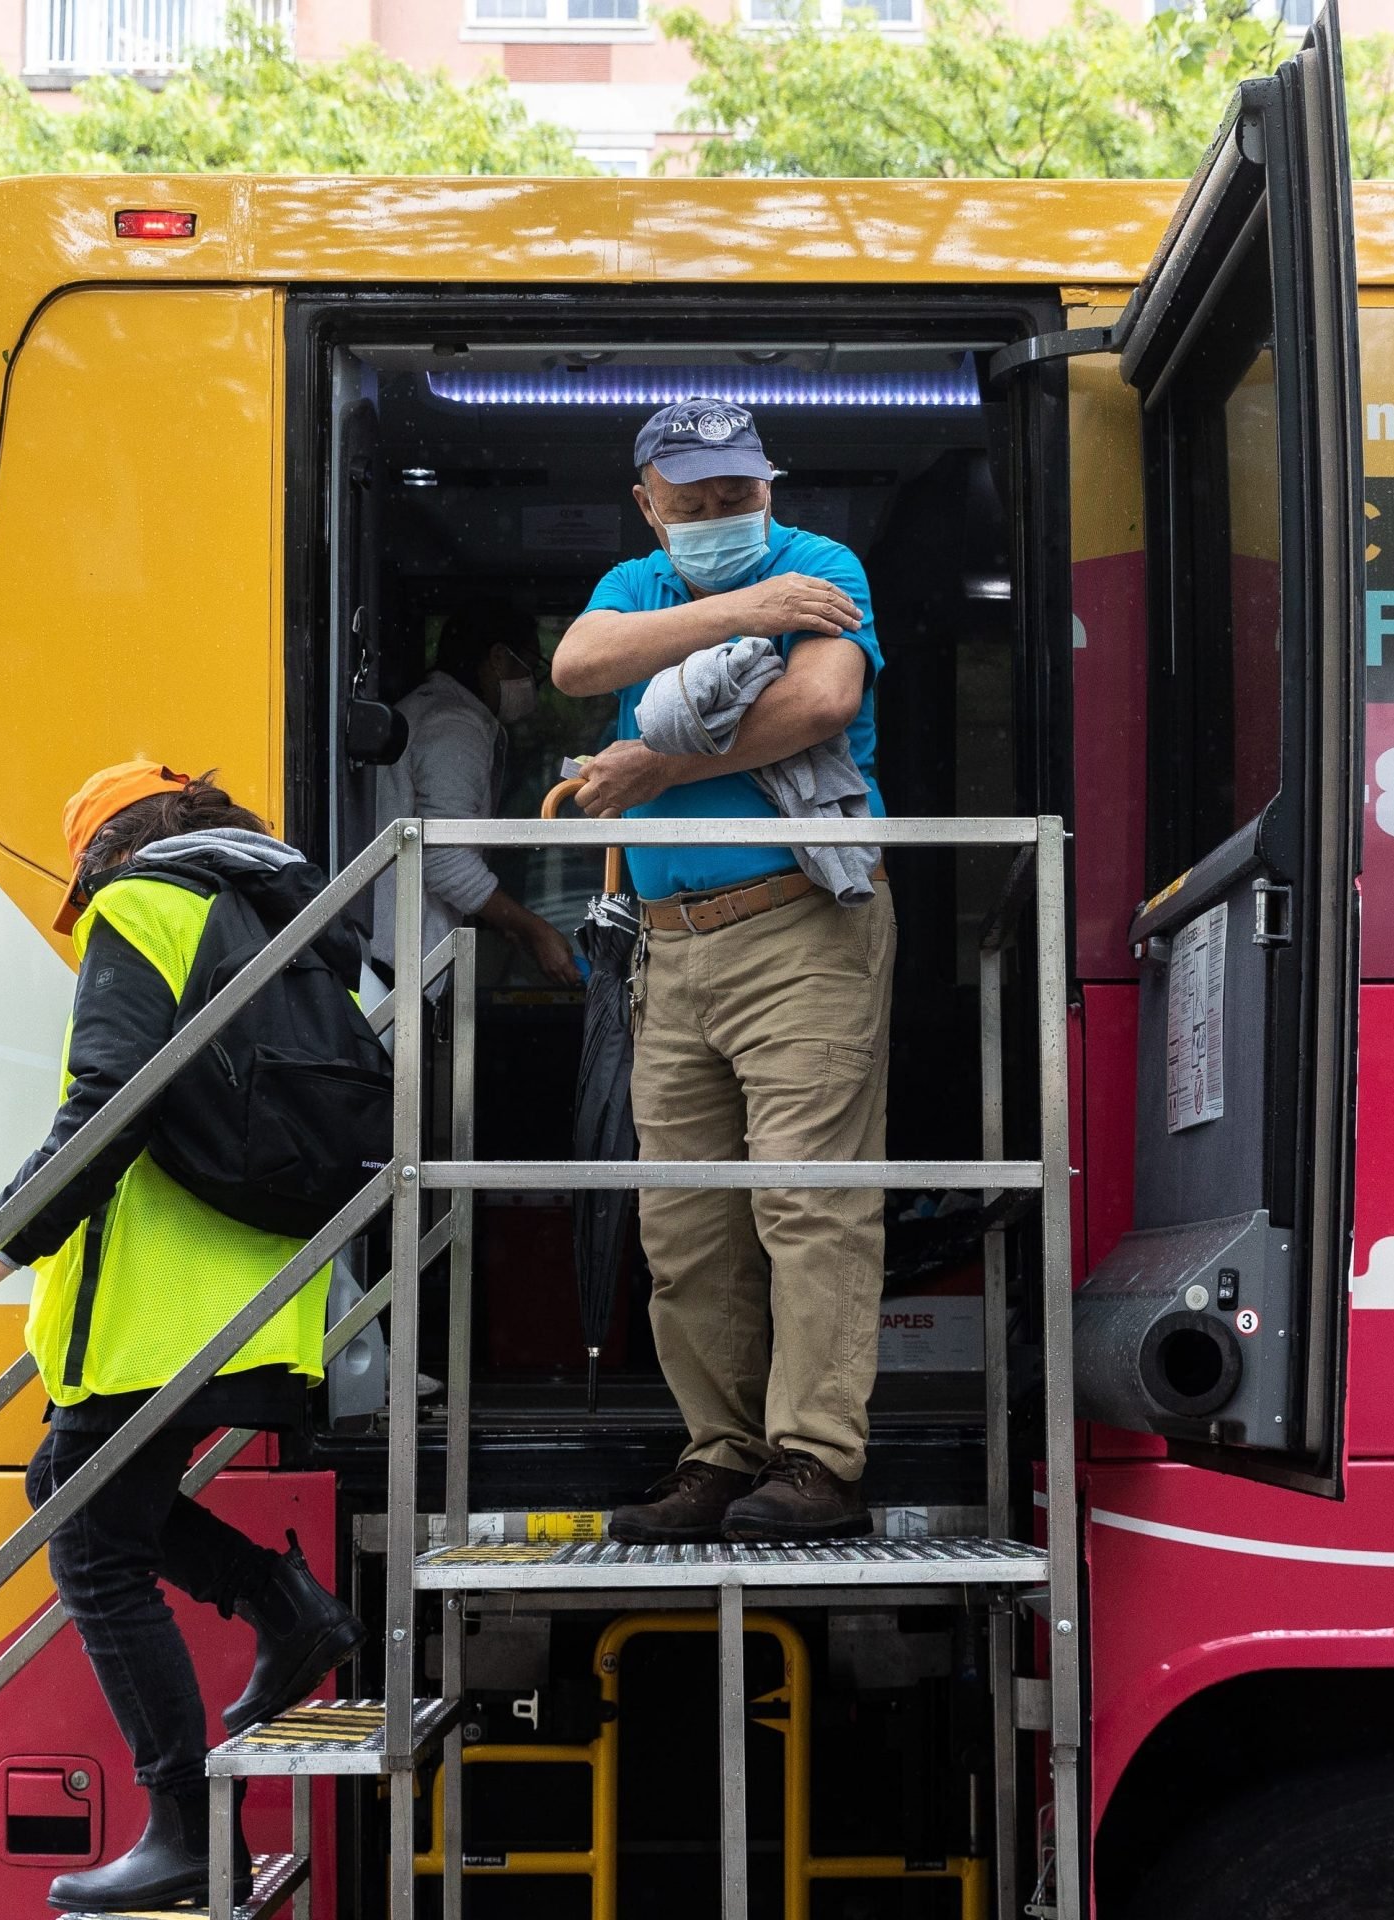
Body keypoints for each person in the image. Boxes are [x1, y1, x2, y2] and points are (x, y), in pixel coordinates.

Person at [0, 763, 367, 1912]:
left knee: (92, 1549)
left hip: (149, 1307)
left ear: (101, 856)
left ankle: (182, 1824)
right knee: (64, 1487)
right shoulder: (291, 917)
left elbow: (111, 1095)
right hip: (249, 1294)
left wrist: (8, 1238)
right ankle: (290, 1609)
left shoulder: (143, 905)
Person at [554, 397, 893, 1544]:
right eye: (691, 501)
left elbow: (822, 700)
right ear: (647, 506)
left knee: (808, 1197)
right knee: (685, 1223)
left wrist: (648, 764)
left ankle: (816, 1464)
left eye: (736, 495)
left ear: (769, 487)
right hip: (669, 945)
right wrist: (745, 610)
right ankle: (719, 1455)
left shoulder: (823, 562)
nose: (718, 514)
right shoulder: (651, 586)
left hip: (801, 923)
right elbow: (575, 663)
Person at [371, 610, 580, 990]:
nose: (532, 686)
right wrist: (533, 929)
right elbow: (443, 858)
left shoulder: (430, 709)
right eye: (530, 668)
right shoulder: (454, 724)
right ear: (498, 657)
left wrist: (497, 920)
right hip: (400, 966)